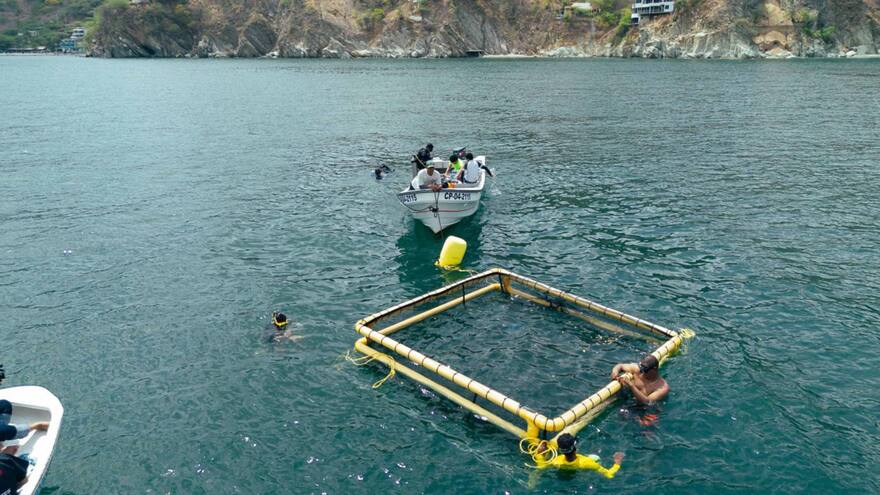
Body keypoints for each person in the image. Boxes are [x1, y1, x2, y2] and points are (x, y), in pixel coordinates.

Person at [534, 434, 624, 478]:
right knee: (596, 457)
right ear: (575, 448)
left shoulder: (556, 461)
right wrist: (617, 462)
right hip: (581, 468)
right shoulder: (588, 462)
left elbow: (541, 467)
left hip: (565, 471)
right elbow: (609, 474)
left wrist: (539, 454)